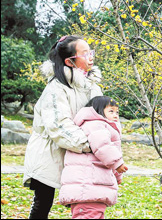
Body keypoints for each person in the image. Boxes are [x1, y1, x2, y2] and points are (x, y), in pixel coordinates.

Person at [23, 35, 103, 219]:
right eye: (85, 53)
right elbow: (59, 126)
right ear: (70, 61)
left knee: (82, 201)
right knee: (43, 202)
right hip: (48, 154)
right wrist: (90, 145)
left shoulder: (91, 86)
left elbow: (100, 117)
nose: (91, 56)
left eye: (91, 51)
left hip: (75, 152)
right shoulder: (56, 89)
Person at [59, 96, 128, 219]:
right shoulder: (95, 125)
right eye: (111, 111)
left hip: (93, 186)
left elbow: (110, 153)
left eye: (117, 112)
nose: (116, 115)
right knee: (88, 214)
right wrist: (117, 163)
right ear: (97, 111)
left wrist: (117, 175)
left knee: (93, 214)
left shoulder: (103, 126)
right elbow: (103, 146)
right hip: (87, 187)